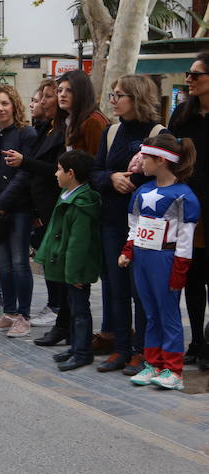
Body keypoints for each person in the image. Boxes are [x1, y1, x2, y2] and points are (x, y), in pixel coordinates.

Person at [89, 74, 166, 373]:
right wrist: (111, 178)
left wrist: (132, 179)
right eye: (113, 95)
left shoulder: (158, 132)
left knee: (141, 290)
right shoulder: (111, 132)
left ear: (137, 97)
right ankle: (121, 348)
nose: (114, 100)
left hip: (145, 224)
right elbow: (95, 171)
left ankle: (142, 351)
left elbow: (166, 173)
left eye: (119, 95)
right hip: (112, 219)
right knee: (115, 287)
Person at [119, 134, 200, 390]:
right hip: (142, 257)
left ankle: (174, 370)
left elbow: (186, 239)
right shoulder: (142, 191)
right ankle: (153, 363)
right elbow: (135, 226)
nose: (139, 160)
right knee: (150, 313)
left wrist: (179, 269)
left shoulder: (184, 196)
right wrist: (128, 251)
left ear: (162, 160)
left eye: (144, 156)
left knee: (169, 315)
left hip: (165, 259)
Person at [4, 79, 68, 336]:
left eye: (46, 97)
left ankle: (57, 306)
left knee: (52, 258)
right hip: (40, 205)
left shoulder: (60, 130)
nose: (40, 102)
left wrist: (24, 162)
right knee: (47, 256)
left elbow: (55, 169)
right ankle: (55, 305)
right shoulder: (45, 129)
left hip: (53, 203)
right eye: (39, 97)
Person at [57, 69, 113, 353]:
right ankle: (78, 337)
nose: (62, 95)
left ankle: (107, 334)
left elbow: (95, 166)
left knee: (90, 274)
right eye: (60, 90)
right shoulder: (71, 121)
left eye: (68, 90)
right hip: (73, 201)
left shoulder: (93, 122)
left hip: (90, 204)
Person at [0, 85, 38, 338]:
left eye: (4, 103)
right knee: (3, 265)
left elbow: (25, 173)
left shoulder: (27, 134)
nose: (0, 109)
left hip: (19, 209)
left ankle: (23, 315)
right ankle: (9, 312)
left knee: (20, 263)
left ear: (14, 105)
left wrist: (0, 202)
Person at [35, 150, 102, 371]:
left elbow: (78, 243)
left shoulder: (80, 203)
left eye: (59, 169)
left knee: (80, 311)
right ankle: (75, 347)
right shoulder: (66, 195)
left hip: (76, 270)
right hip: (67, 267)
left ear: (71, 173)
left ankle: (83, 352)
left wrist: (73, 273)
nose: (55, 174)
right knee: (73, 309)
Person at [170, 51, 209, 370]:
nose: (189, 79)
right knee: (193, 281)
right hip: (190, 211)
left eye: (196, 74)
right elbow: (171, 156)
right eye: (188, 74)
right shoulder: (182, 114)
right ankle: (196, 340)